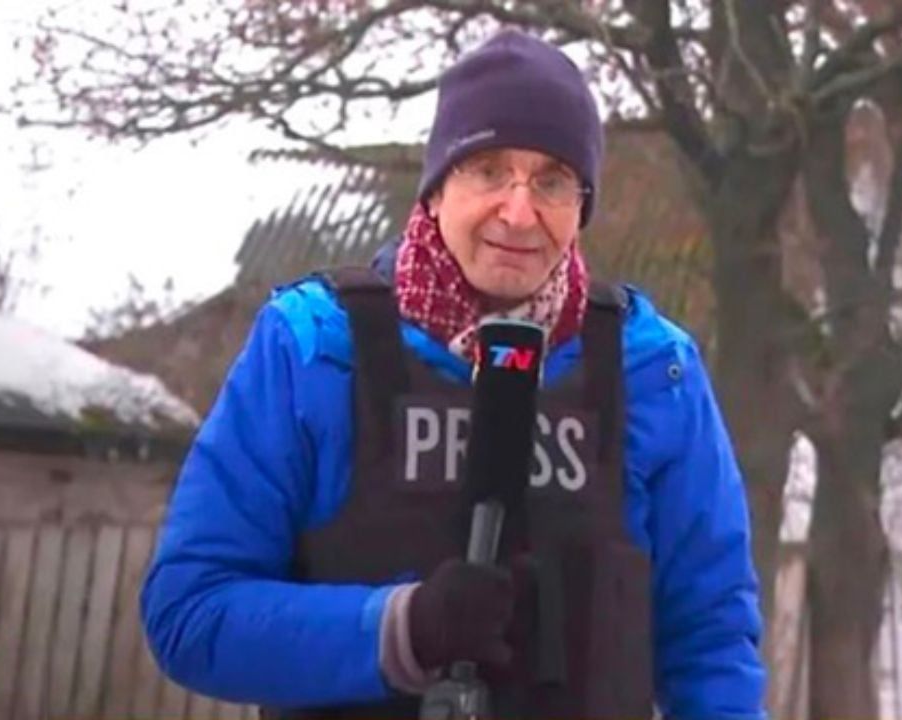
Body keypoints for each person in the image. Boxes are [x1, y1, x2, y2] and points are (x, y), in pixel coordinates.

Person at [141, 28, 766, 720]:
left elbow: (712, 641)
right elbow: (190, 614)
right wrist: (401, 630)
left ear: (581, 206)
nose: (520, 211)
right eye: (489, 169)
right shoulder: (314, 348)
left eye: (552, 180)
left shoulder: (652, 369)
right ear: (437, 188)